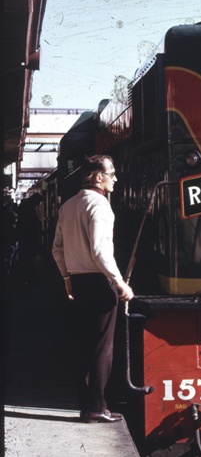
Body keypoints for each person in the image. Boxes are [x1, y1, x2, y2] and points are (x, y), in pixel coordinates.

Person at [52, 155, 134, 423]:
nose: (115, 178)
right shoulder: (100, 206)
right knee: (102, 348)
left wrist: (67, 278)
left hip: (78, 281)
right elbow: (100, 251)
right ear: (97, 176)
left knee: (84, 345)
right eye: (111, 173)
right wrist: (120, 282)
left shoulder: (68, 206)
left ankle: (87, 407)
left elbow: (57, 249)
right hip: (100, 283)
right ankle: (97, 407)